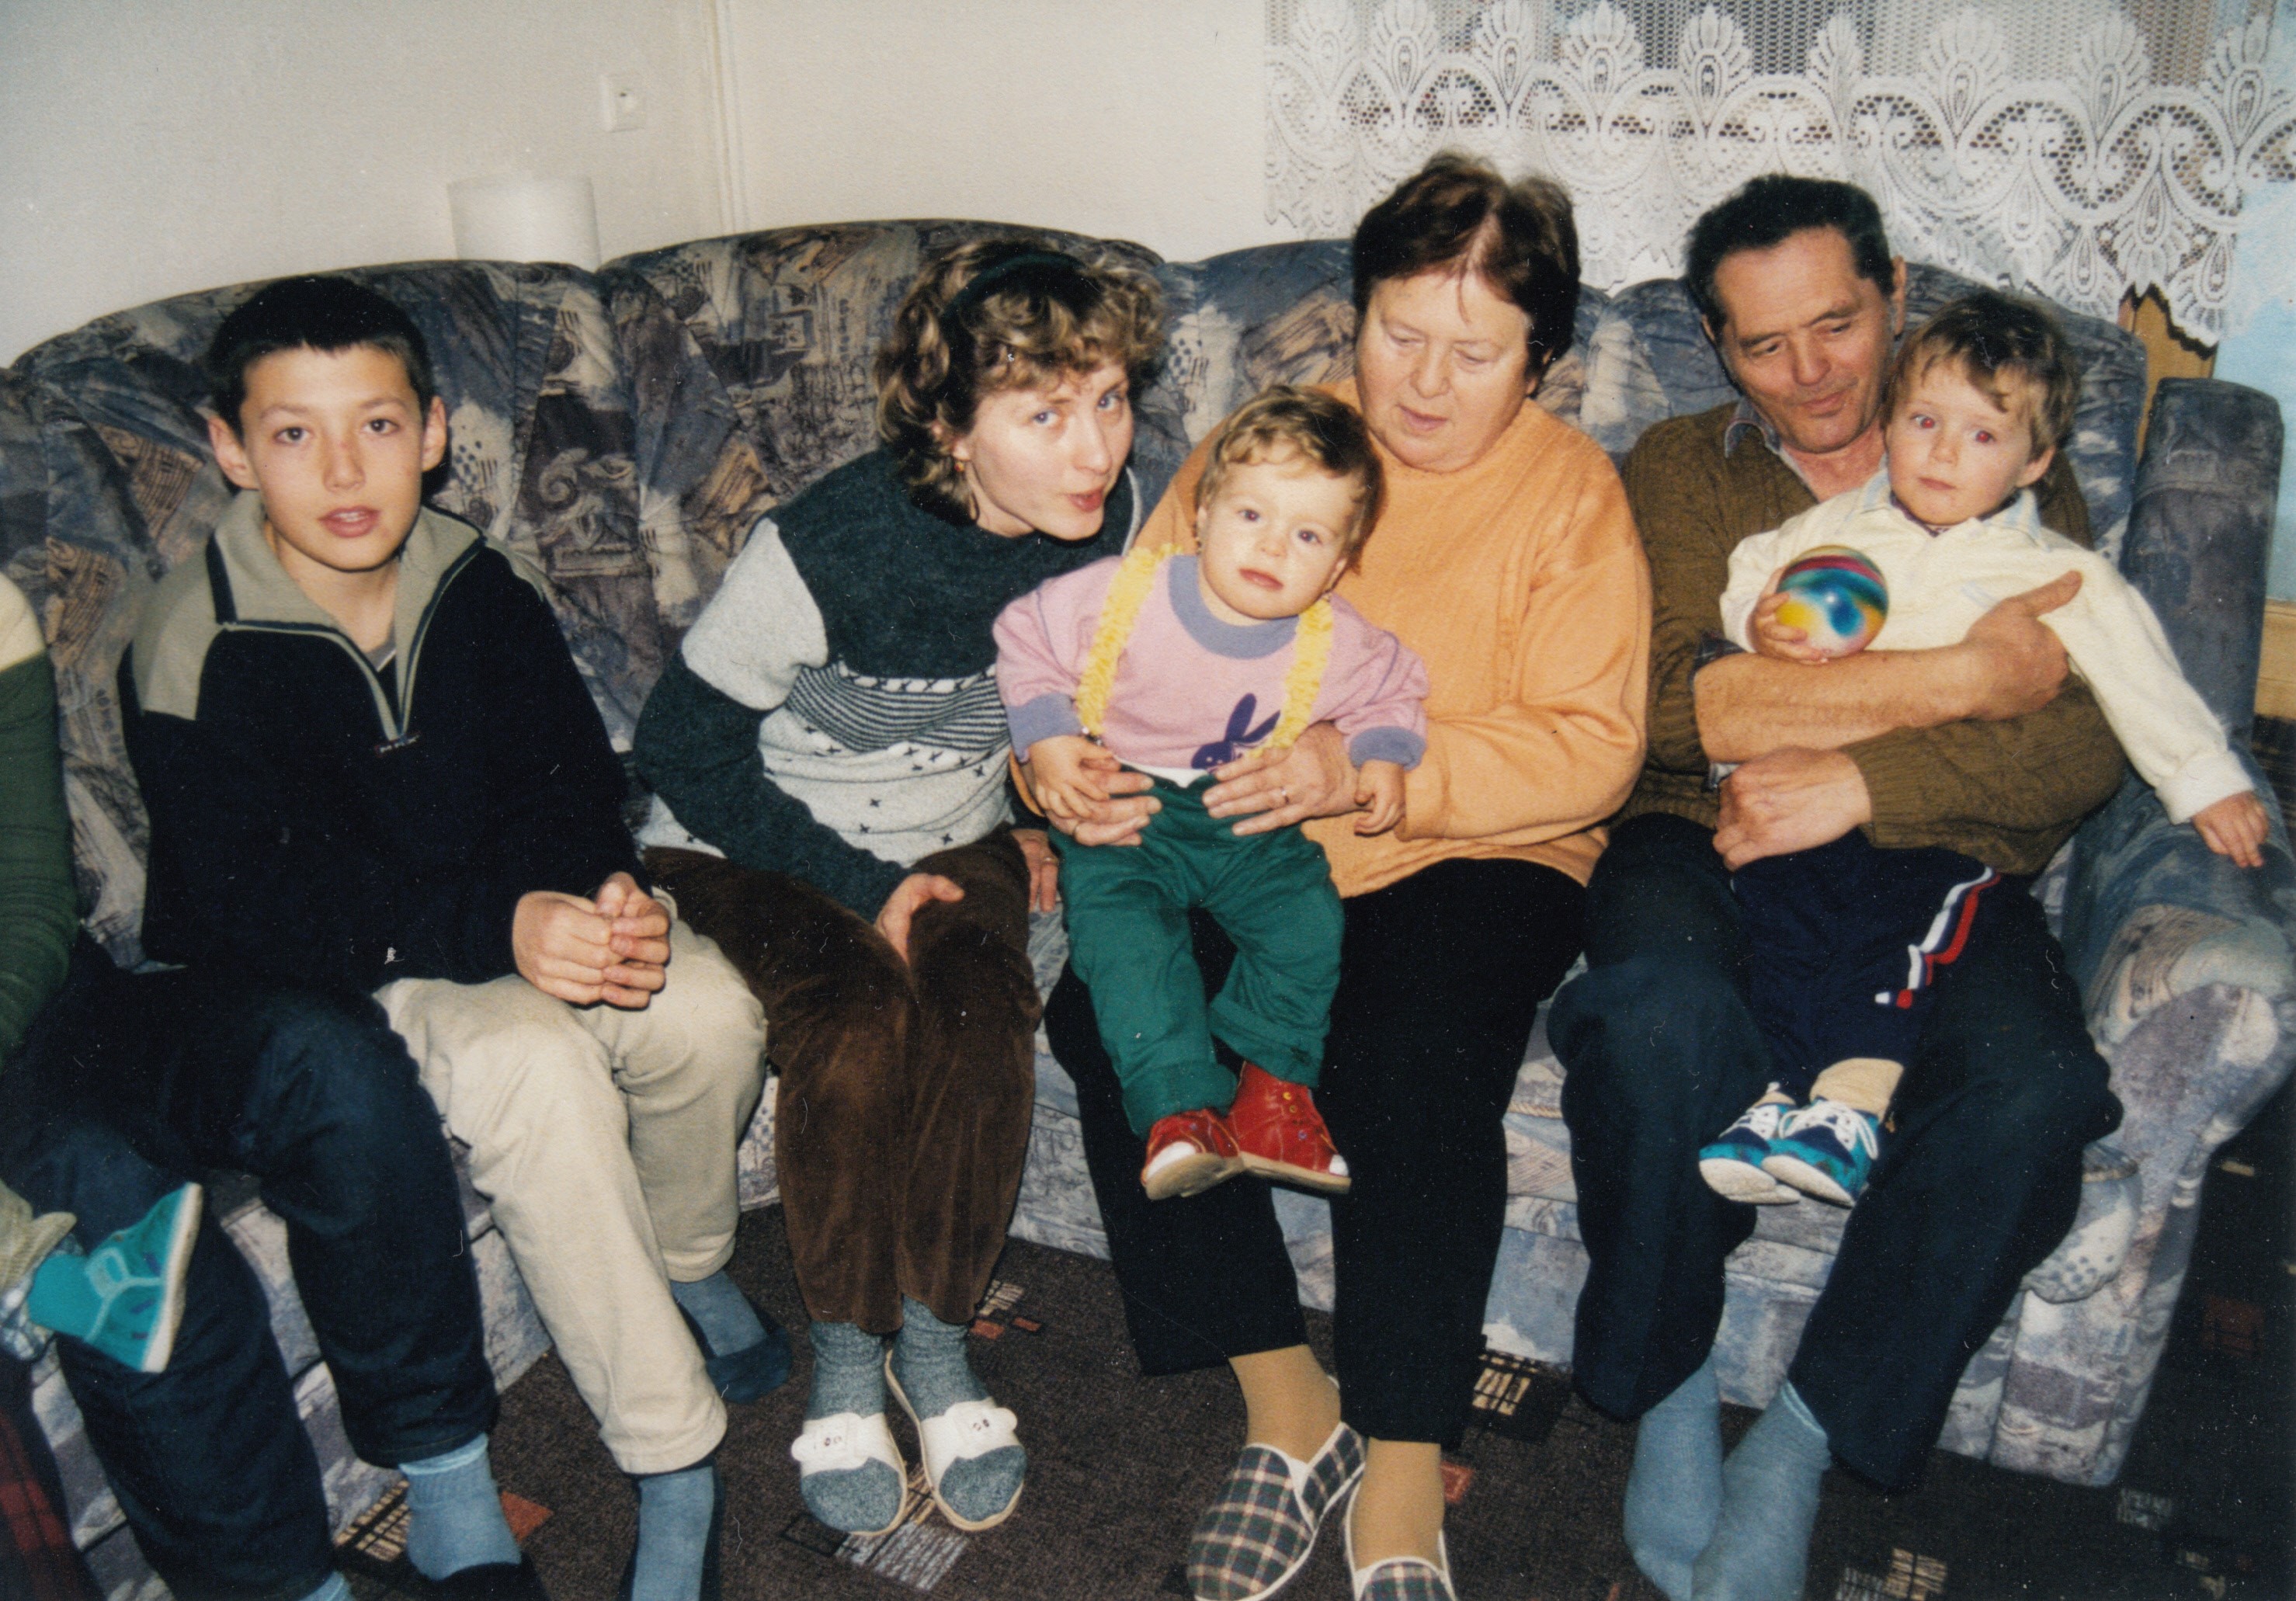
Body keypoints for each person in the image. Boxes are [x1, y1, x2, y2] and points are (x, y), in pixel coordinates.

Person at [1041, 155, 1648, 1601]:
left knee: (1407, 1053)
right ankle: (1286, 1400)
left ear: (1540, 362)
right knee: (1107, 1013)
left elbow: (1594, 746)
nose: (1423, 383)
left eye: (1474, 353)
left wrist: (1372, 771)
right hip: (1246, 835)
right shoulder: (1272, 447)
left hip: (1475, 841)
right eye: (1397, 333)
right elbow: (1120, 639)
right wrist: (1063, 757)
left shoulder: (1568, 494)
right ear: (1353, 315)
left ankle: (1401, 1447)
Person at [120, 276, 778, 1600]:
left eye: (376, 424)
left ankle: (687, 1259)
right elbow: (261, 903)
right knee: (537, 1065)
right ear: (232, 450)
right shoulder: (191, 641)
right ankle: (673, 1456)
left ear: (431, 431)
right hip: (370, 970)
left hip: (516, 912)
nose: (343, 470)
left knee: (710, 1013)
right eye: (294, 434)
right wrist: (499, 927)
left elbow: (567, 781)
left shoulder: (481, 580)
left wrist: (595, 891)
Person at [1548, 175, 2127, 1601]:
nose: (1809, 373)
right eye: (1762, 343)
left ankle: (1805, 1434)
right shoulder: (1680, 470)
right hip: (1705, 833)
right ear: (1713, 343)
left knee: (2034, 1087)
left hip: (1936, 855)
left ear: (1896, 292)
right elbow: (1672, 709)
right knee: (1653, 1013)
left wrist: (1864, 782)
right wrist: (1961, 676)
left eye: (1837, 324)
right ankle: (1670, 1376)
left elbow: (2079, 739)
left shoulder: (1998, 449)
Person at [630, 240, 1165, 1539]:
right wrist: (859, 885)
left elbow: (1066, 701)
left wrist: (1036, 817)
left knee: (982, 1008)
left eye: (1108, 400)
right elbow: (680, 746)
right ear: (948, 426)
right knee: (860, 1015)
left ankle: (931, 1341)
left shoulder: (1113, 517)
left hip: (949, 836)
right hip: (749, 841)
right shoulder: (829, 548)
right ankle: (842, 1350)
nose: (1095, 447)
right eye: (1045, 414)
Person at [0, 554, 527, 1599]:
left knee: (323, 1059)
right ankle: (288, 1587)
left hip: (51, 996)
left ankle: (450, 1495)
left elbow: (27, 894)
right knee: (118, 1205)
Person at [1701, 290, 2266, 1210]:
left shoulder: (2055, 574)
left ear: (2033, 461)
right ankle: (1774, 1097)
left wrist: (2204, 780)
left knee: (1890, 943)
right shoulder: (1832, 531)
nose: (1940, 453)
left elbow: (2142, 679)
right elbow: (1746, 580)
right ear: (1889, 424)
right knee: (1778, 929)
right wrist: (1758, 622)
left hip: (1943, 824)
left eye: (1981, 435)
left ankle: (1850, 1110)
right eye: (1923, 422)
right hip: (1805, 810)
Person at [995, 386, 1426, 1202]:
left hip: (1243, 820)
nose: (1271, 547)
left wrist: (1380, 755)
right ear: (1200, 516)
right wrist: (1047, 739)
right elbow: (1026, 634)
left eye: (1307, 535)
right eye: (1250, 515)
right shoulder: (1123, 595)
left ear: (1338, 565)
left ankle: (1273, 1095)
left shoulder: (1333, 637)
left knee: (1307, 921)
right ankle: (1179, 1113)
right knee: (1127, 947)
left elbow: (1395, 686)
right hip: (1126, 812)